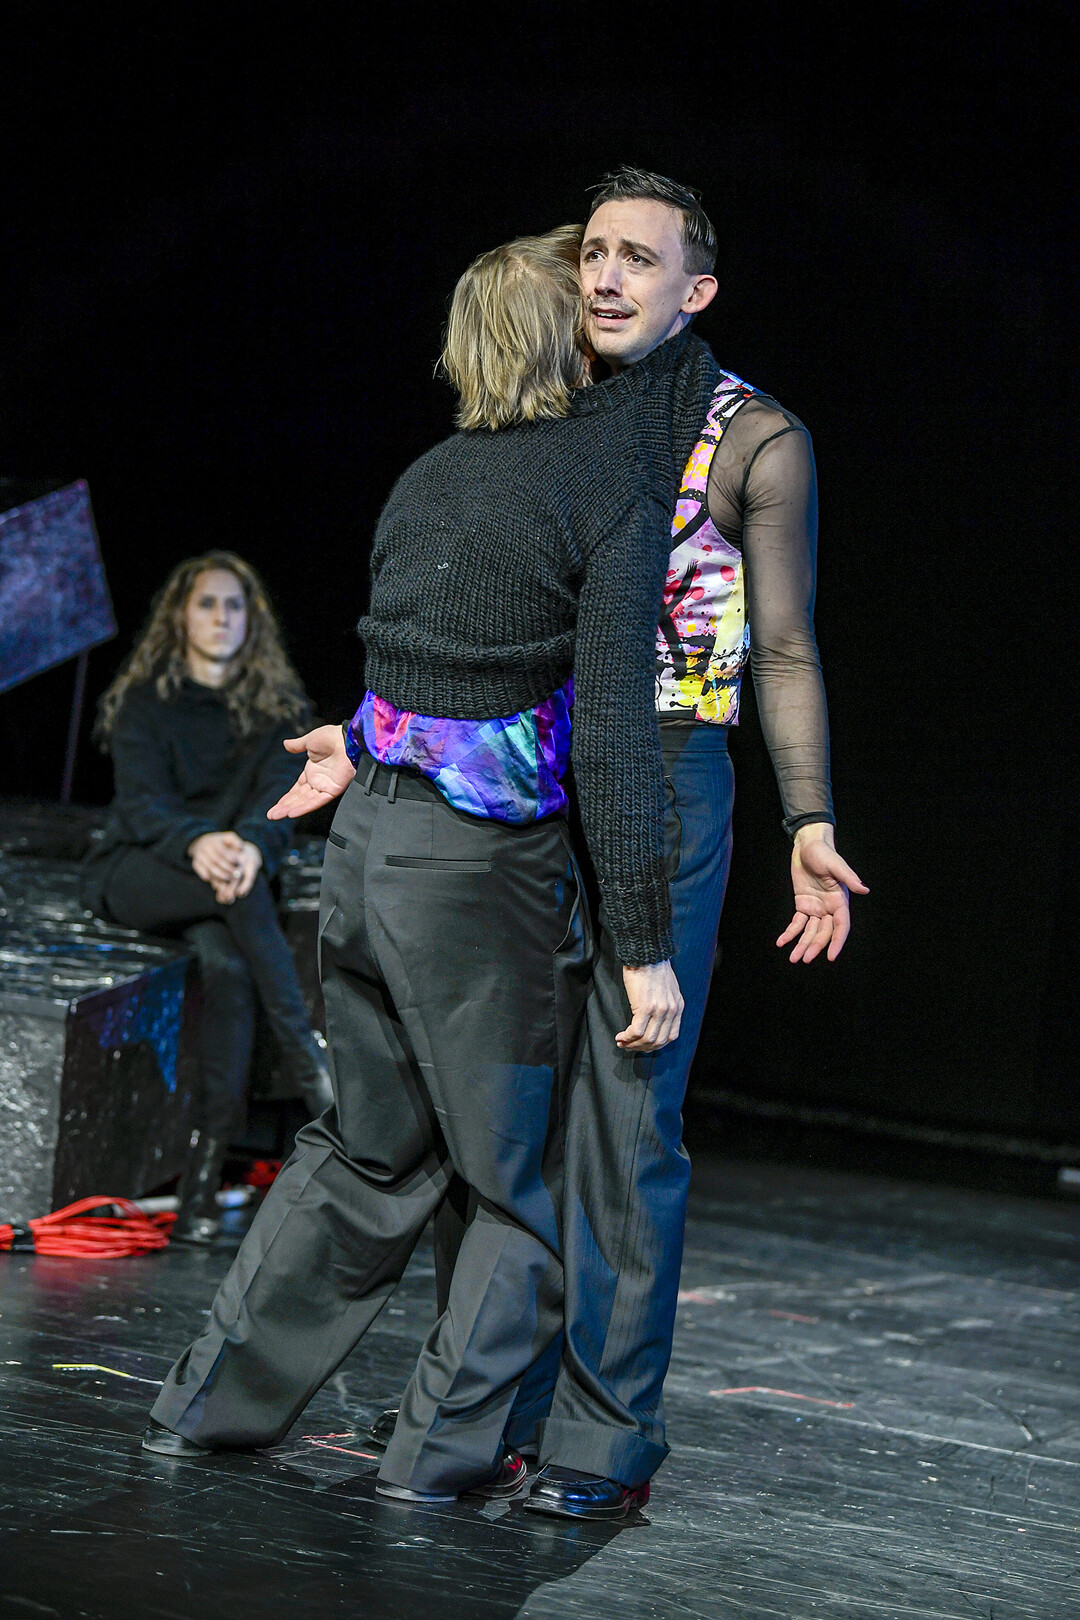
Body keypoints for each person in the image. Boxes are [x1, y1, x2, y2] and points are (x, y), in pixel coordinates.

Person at [142, 224, 721, 1505]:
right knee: (514, 1184)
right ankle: (438, 1456)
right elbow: (611, 734)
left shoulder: (428, 476)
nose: (612, 294)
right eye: (593, 287)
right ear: (572, 340)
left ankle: (205, 1408)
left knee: (363, 1150)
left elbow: (438, 667)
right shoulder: (604, 485)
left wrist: (358, 741)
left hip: (367, 856)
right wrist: (643, 945)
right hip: (473, 882)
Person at [362, 168, 868, 1520]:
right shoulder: (544, 404)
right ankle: (484, 1408)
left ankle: (603, 1434)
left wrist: (810, 819)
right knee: (503, 1116)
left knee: (629, 1116)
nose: (605, 276)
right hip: (526, 778)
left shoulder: (753, 437)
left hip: (671, 770)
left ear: (695, 289)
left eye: (640, 258)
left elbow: (784, 647)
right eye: (593, 251)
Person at [82, 552, 334, 1244]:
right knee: (241, 902)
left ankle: (200, 1182)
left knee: (227, 969)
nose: (221, 617)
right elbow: (140, 805)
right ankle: (311, 1064)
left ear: (252, 620)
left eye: (234, 605)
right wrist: (198, 841)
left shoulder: (279, 711)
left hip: (228, 884)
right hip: (142, 869)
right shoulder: (145, 701)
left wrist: (251, 845)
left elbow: (279, 802)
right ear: (180, 617)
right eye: (206, 604)